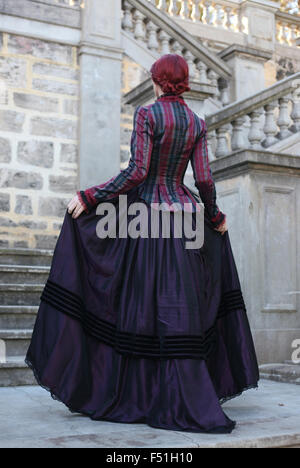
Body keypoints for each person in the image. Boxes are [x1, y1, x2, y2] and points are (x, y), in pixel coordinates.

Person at [25, 54, 259, 434]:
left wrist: (90, 196)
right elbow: (203, 180)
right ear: (182, 83)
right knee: (178, 308)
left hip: (147, 218)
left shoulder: (148, 115)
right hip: (185, 221)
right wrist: (213, 216)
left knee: (141, 307)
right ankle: (181, 392)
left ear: (157, 81)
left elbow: (136, 172)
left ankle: (141, 393)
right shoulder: (196, 122)